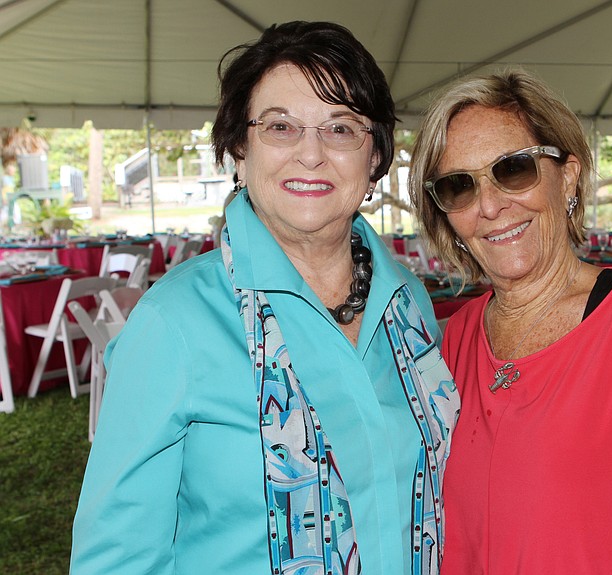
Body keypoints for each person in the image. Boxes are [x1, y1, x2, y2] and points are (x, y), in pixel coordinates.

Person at [71, 21, 459, 575]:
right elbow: (116, 559)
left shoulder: (410, 305)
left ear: (375, 158)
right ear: (238, 147)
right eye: (280, 127)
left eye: (341, 128)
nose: (311, 154)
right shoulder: (175, 323)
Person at [409, 70, 612, 574]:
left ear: (568, 176)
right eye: (460, 186)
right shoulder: (454, 339)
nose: (491, 205)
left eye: (513, 169)